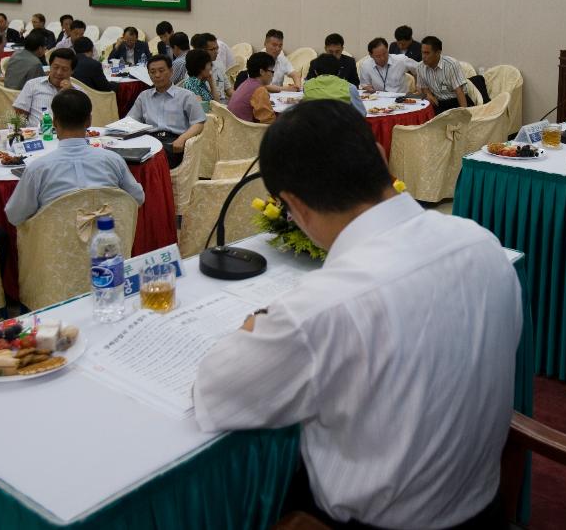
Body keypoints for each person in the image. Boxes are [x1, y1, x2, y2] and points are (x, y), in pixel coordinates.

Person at [193, 100, 521, 529]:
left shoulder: (322, 308)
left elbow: (216, 393)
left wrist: (258, 324)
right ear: (383, 159)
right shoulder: (481, 242)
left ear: (294, 205)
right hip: (485, 510)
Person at [4, 89, 144, 226]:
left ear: (54, 122)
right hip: (107, 242)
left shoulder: (38, 169)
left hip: (55, 247)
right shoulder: (113, 160)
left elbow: (14, 216)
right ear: (89, 121)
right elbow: (138, 198)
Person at [127, 54, 205, 167]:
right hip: (149, 140)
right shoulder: (144, 96)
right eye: (152, 72)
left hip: (173, 142)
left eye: (161, 70)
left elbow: (199, 122)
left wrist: (182, 139)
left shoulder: (186, 96)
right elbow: (131, 121)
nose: (157, 75)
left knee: (153, 161)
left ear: (171, 71)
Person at [14, 47, 75, 128]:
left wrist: (71, 94)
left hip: (66, 137)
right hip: (37, 136)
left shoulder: (78, 92)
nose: (59, 72)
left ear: (72, 71)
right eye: (56, 67)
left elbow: (82, 121)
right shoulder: (33, 85)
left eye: (64, 69)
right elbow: (20, 114)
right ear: (50, 66)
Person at [414, 36, 469, 111]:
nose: (423, 56)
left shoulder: (451, 64)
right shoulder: (420, 67)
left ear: (438, 52)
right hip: (438, 102)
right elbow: (424, 87)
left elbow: (459, 91)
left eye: (427, 53)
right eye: (422, 52)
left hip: (455, 101)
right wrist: (428, 94)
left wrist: (464, 113)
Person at [227, 51, 276, 124]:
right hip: (247, 131)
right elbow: (268, 120)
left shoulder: (246, 83)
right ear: (262, 71)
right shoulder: (259, 90)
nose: (273, 75)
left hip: (233, 127)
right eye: (272, 71)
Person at [191, 33, 230, 102]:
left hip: (223, 103)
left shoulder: (218, 63)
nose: (217, 52)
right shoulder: (194, 73)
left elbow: (229, 89)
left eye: (217, 48)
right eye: (212, 49)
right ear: (202, 51)